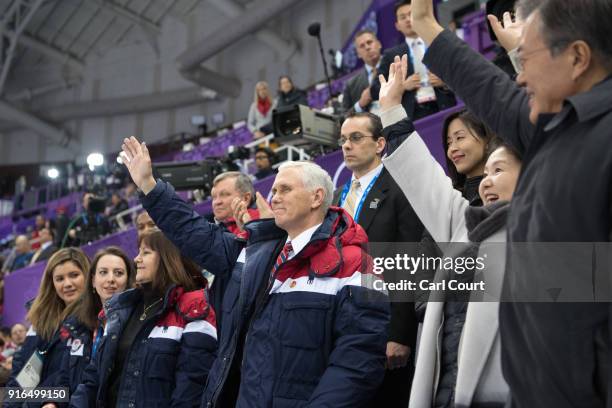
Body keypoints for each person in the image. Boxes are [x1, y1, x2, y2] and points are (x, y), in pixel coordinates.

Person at [409, 0, 612, 405]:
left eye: (528, 56)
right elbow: (492, 92)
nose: (520, 76)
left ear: (577, 58)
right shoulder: (558, 130)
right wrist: (425, 26)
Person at [121, 135, 389, 407]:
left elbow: (359, 358)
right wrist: (149, 186)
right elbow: (195, 232)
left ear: (316, 197)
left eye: (285, 189)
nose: (274, 197)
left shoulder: (359, 264)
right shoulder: (255, 252)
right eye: (274, 191)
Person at [379, 54, 523, 406]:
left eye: (499, 170)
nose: (487, 180)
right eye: (485, 173)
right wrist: (391, 111)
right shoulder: (465, 227)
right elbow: (423, 178)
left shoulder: (550, 229)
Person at [333, 110, 424, 407]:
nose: (347, 145)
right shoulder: (338, 197)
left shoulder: (400, 189)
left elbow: (409, 263)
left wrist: (400, 332)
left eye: (356, 138)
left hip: (383, 327)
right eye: (344, 139)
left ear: (380, 143)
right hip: (341, 327)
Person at [70, 230, 217, 408]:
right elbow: (93, 378)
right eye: (138, 252)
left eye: (145, 253)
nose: (136, 259)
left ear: (167, 257)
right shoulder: (121, 310)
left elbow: (192, 384)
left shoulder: (195, 307)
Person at [5, 248, 91, 408]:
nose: (67, 284)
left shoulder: (94, 322)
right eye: (59, 278)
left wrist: (50, 401)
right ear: (52, 283)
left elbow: (81, 383)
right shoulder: (41, 322)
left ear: (87, 275)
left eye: (74, 275)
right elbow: (23, 379)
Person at [371, 0, 456, 121]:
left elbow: (458, 71)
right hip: (412, 114)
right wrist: (401, 86)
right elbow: (375, 90)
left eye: (410, 14)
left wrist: (445, 81)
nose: (407, 19)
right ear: (397, 25)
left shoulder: (438, 42)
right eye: (402, 17)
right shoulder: (391, 55)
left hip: (443, 105)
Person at [342, 29, 383, 113]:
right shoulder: (351, 85)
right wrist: (360, 104)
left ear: (379, 44)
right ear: (358, 54)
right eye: (362, 46)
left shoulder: (396, 65)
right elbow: (342, 119)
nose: (367, 47)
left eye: (369, 42)